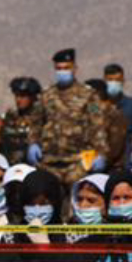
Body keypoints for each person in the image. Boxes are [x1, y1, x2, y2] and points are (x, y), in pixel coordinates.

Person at [36, 48, 113, 183]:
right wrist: (33, 144)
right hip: (49, 161)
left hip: (77, 161)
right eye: (59, 68)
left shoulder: (89, 95)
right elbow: (36, 123)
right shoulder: (46, 95)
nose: (62, 72)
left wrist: (101, 153)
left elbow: (97, 126)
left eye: (66, 68)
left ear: (75, 68)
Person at [103, 63, 132, 159]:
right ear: (104, 80)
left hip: (124, 161)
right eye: (110, 80)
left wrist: (126, 154)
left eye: (117, 80)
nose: (113, 83)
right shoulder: (96, 105)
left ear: (123, 81)